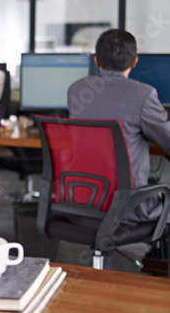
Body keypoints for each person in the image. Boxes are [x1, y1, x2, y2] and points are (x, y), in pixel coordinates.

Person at [68, 29, 170, 224]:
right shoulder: (144, 94)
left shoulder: (76, 90)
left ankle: (148, 254)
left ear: (96, 61)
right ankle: (154, 253)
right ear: (134, 62)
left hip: (83, 200)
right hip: (130, 207)